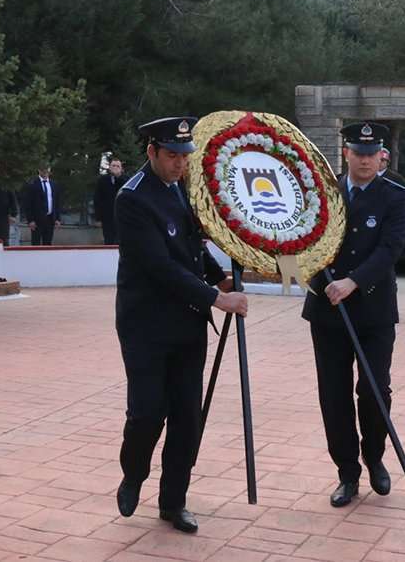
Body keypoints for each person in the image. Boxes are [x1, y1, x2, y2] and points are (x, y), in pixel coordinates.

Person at [114, 116, 248, 534]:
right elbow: (160, 267)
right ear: (151, 151)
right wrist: (216, 297)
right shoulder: (132, 199)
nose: (180, 163)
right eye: (172, 155)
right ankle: (134, 473)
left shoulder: (181, 191)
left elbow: (193, 247)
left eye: (184, 156)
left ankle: (174, 501)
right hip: (146, 327)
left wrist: (219, 276)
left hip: (187, 325)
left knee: (188, 417)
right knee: (148, 413)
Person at [302, 122, 405, 507]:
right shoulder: (322, 193)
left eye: (372, 154)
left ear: (381, 155)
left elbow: (390, 249)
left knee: (375, 389)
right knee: (334, 396)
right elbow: (302, 235)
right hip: (327, 310)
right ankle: (347, 473)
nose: (365, 160)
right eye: (358, 153)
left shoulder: (395, 195)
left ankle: (375, 456)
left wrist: (353, 281)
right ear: (345, 153)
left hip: (373, 309)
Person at [22, 165, 61, 245]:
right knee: (36, 243)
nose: (45, 172)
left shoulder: (54, 184)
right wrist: (30, 220)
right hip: (37, 220)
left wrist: (57, 218)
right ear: (39, 170)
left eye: (47, 169)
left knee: (48, 243)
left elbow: (56, 202)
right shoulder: (32, 184)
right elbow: (27, 203)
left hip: (50, 219)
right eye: (43, 169)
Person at [93, 155, 126, 244]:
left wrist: (118, 177)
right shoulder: (102, 180)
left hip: (121, 217)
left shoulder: (125, 180)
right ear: (109, 167)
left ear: (121, 168)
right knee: (108, 240)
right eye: (113, 166)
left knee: (120, 241)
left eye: (117, 166)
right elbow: (97, 199)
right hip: (107, 217)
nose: (115, 168)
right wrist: (98, 218)